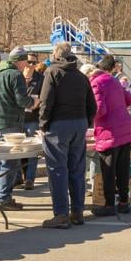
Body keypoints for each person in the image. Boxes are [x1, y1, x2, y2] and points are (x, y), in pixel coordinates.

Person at [38, 42, 96, 228]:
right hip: (79, 124)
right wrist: (87, 122)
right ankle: (77, 212)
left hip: (58, 125)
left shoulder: (52, 72)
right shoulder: (81, 76)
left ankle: (61, 214)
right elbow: (92, 105)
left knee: (58, 170)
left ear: (55, 55)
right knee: (77, 169)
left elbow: (46, 102)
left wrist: (43, 124)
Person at [0, 46, 32, 211]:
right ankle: (3, 198)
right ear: (20, 61)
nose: (26, 66)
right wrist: (34, 102)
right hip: (8, 124)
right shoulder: (15, 75)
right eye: (25, 62)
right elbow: (21, 101)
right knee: (10, 162)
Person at [89, 55, 131, 215]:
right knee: (123, 169)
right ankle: (124, 202)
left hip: (109, 131)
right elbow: (129, 99)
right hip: (125, 129)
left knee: (108, 171)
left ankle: (109, 205)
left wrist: (87, 115)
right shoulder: (115, 80)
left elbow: (99, 110)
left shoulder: (95, 83)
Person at [21, 52, 45, 189]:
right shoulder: (17, 76)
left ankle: (30, 179)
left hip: (33, 119)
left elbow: (43, 98)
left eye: (34, 63)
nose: (31, 65)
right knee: (19, 151)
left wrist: (38, 103)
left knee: (33, 151)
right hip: (18, 119)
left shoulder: (41, 78)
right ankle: (19, 177)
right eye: (29, 62)